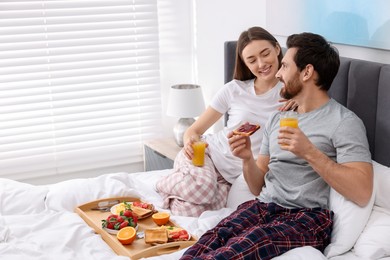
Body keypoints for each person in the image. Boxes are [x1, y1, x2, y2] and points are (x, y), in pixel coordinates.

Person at [179, 32, 374, 259]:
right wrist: (246, 159)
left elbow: (362, 192)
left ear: (307, 72)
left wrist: (309, 152)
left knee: (239, 248)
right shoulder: (277, 118)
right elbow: (256, 185)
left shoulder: (344, 122)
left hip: (306, 217)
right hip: (263, 206)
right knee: (210, 240)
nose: (278, 74)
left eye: (284, 66)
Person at [155, 26, 296, 217]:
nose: (261, 63)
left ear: (277, 49)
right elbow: (194, 130)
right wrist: (190, 142)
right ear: (245, 64)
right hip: (208, 156)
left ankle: (177, 195)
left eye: (265, 54)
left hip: (235, 177)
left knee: (194, 211)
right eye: (252, 60)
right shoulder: (234, 89)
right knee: (202, 190)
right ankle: (161, 183)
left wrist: (300, 100)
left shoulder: (294, 97)